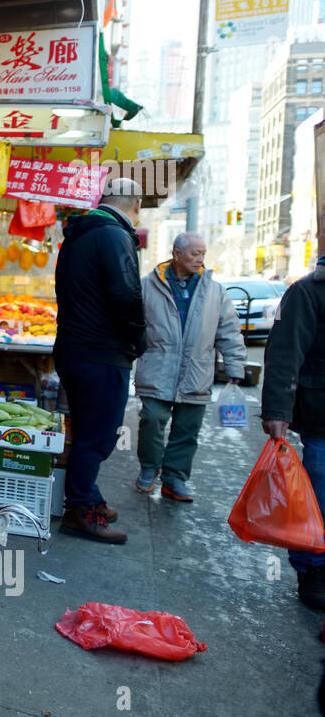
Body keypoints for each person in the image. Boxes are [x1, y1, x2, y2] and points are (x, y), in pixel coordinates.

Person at [52, 178, 147, 544]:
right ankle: (80, 510)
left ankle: (88, 497)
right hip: (101, 353)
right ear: (134, 206)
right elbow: (126, 293)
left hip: (74, 349)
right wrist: (138, 339)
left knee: (86, 431)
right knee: (98, 436)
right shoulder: (114, 235)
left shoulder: (78, 235)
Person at [134, 232, 246, 501]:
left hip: (197, 372)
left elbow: (229, 330)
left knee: (187, 430)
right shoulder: (147, 286)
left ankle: (174, 478)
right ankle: (150, 468)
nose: (200, 259)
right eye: (195, 253)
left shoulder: (215, 291)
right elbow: (130, 325)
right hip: (157, 368)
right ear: (176, 254)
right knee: (152, 420)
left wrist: (235, 366)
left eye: (203, 254)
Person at [261, 255, 325, 610]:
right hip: (320, 417)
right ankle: (313, 570)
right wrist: (276, 410)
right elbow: (285, 351)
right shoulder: (307, 291)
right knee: (317, 500)